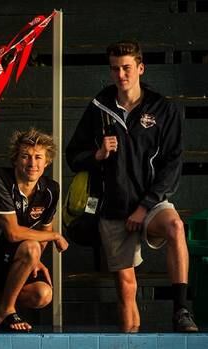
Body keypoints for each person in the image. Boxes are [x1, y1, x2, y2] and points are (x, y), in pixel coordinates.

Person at [66, 40, 199, 333]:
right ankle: (131, 340)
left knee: (176, 227)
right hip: (113, 208)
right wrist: (96, 155)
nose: (121, 74)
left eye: (127, 67)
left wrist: (144, 206)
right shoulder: (98, 107)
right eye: (115, 69)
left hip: (150, 203)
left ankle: (181, 309)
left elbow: (172, 164)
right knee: (127, 288)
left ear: (140, 68)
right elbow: (72, 157)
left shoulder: (163, 109)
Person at [0, 128, 68, 332]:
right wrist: (54, 236)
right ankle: (6, 312)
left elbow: (44, 227)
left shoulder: (51, 189)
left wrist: (35, 259)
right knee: (31, 247)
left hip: (13, 257)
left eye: (38, 157)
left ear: (47, 162)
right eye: (25, 156)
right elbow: (13, 233)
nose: (32, 163)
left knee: (42, 294)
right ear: (15, 160)